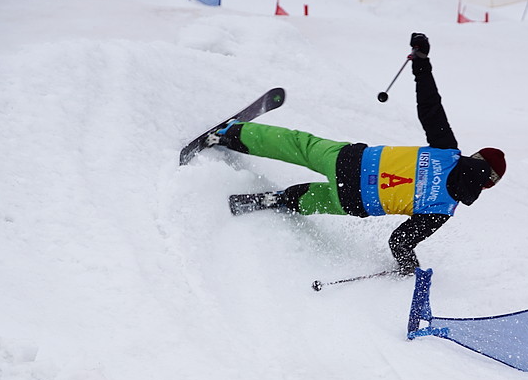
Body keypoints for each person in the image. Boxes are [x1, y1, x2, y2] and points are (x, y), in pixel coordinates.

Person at [205, 33, 506, 276]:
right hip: (354, 200)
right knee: (315, 199)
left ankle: (229, 134)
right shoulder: (443, 208)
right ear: (486, 185)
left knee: (297, 145)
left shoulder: (447, 152)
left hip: (350, 161)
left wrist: (421, 61)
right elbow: (399, 241)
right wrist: (407, 266)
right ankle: (278, 199)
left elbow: (429, 105)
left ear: (475, 157)